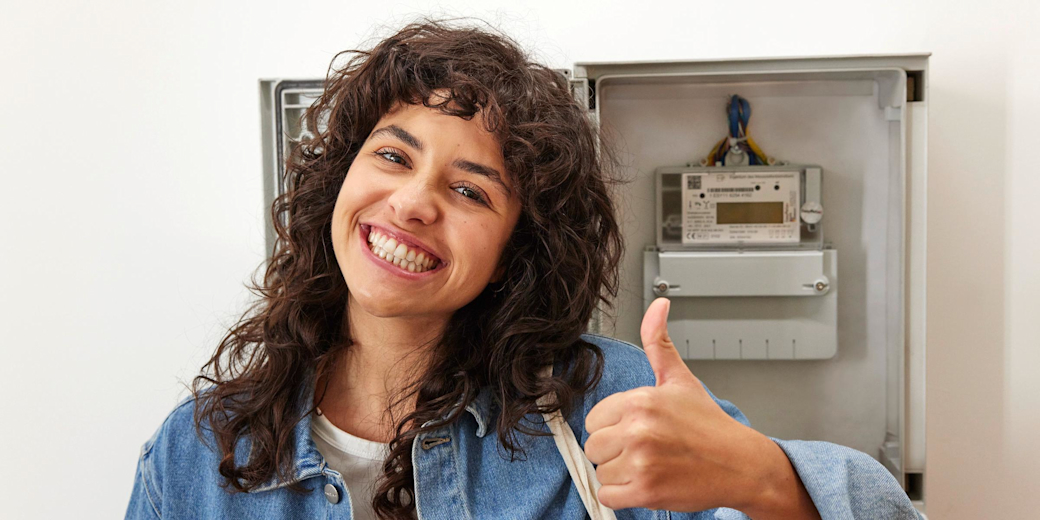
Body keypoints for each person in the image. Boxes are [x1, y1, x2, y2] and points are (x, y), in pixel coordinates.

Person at [125, 19, 922, 520]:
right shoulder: (197, 452)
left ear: (517, 248)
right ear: (339, 180)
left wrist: (766, 479)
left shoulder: (607, 406)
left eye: (470, 189)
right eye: (393, 156)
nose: (411, 202)